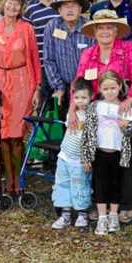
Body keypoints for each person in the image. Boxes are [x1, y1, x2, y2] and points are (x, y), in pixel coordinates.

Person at [75, 8, 132, 223]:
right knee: (99, 162)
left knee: (125, 159)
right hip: (98, 116)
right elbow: (79, 84)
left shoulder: (128, 49)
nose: (105, 31)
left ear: (116, 30)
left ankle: (125, 203)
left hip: (123, 112)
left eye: (109, 27)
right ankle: (101, 204)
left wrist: (130, 99)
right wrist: (74, 109)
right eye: (101, 28)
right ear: (95, 31)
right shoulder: (88, 54)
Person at [0, 0, 42, 196]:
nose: (12, 6)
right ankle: (7, 179)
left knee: (17, 135)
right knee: (3, 134)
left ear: (21, 8)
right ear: (2, 4)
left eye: (16, 3)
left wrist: (37, 87)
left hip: (21, 82)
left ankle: (18, 180)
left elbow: (35, 59)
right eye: (9, 2)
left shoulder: (27, 29)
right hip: (0, 82)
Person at [81, 71, 132, 236]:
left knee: (116, 184)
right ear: (100, 89)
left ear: (120, 87)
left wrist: (125, 127)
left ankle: (113, 214)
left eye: (113, 88)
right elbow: (86, 133)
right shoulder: (94, 107)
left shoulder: (126, 107)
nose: (110, 92)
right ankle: (102, 217)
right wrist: (86, 156)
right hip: (100, 152)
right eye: (105, 88)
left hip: (118, 153)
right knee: (100, 184)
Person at [50, 78, 93, 230]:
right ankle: (66, 214)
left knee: (80, 185)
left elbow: (90, 140)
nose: (80, 101)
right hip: (65, 156)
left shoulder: (91, 117)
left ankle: (82, 214)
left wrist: (87, 158)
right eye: (77, 98)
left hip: (79, 160)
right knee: (63, 184)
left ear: (91, 97)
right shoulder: (71, 114)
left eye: (84, 97)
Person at [42, 0, 94, 116]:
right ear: (59, 10)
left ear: (81, 9)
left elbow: (94, 61)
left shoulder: (89, 28)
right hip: (61, 85)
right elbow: (48, 60)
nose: (70, 9)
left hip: (84, 88)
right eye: (65, 6)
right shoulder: (52, 26)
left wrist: (84, 88)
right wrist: (59, 87)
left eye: (74, 5)